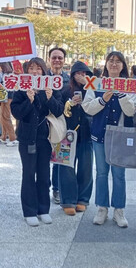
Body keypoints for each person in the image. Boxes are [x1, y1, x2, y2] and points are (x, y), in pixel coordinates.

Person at [82, 51, 136, 228]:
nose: (114, 64)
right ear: (105, 64)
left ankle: (119, 210)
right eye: (111, 61)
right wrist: (102, 100)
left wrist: (121, 95)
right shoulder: (95, 83)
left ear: (123, 65)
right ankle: (102, 208)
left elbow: (131, 111)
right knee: (102, 173)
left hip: (121, 136)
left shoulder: (130, 85)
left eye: (118, 61)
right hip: (100, 135)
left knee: (119, 175)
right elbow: (88, 109)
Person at [11, 57, 64, 227]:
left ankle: (43, 209)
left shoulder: (51, 86)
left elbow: (58, 110)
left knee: (43, 174)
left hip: (45, 139)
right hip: (27, 138)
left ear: (44, 70)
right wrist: (29, 100)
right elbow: (17, 113)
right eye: (31, 68)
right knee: (28, 174)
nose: (35, 72)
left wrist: (49, 98)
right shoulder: (21, 87)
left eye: (38, 68)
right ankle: (29, 211)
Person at [59, 61, 93, 216]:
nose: (83, 76)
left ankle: (83, 199)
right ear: (73, 75)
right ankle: (67, 200)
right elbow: (58, 109)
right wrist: (70, 103)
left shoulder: (92, 91)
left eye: (86, 74)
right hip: (67, 135)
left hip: (87, 134)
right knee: (66, 168)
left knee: (86, 168)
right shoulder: (65, 90)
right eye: (80, 73)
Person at [48, 47, 71, 205]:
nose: (57, 60)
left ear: (64, 60)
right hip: (43, 122)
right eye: (54, 57)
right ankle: (44, 187)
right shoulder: (42, 78)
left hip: (61, 123)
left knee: (59, 157)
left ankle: (56, 188)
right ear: (49, 59)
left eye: (60, 58)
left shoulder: (69, 81)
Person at [0, 62, 17, 147]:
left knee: (5, 117)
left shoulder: (3, 75)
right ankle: (3, 136)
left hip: (6, 97)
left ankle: (13, 138)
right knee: (3, 116)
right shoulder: (9, 74)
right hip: (7, 96)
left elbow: (2, 86)